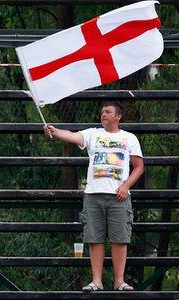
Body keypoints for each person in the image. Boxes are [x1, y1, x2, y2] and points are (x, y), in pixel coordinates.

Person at [44, 101, 144, 292]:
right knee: (94, 238)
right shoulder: (93, 133)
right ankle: (96, 281)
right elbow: (73, 136)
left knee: (120, 238)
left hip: (119, 196)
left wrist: (126, 185)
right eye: (102, 112)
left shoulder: (129, 138)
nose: (103, 114)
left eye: (107, 112)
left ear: (118, 116)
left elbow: (139, 166)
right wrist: (55, 131)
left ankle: (119, 282)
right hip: (93, 195)